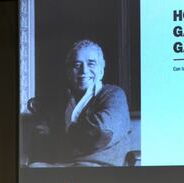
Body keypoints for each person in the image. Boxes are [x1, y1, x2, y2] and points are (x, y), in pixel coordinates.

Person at [27, 39, 131, 167]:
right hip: (59, 164)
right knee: (34, 167)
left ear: (101, 68)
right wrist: (77, 136)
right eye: (77, 65)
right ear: (68, 72)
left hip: (97, 166)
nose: (84, 71)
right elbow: (39, 137)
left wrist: (62, 137)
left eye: (91, 64)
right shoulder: (60, 99)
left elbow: (100, 132)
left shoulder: (113, 94)